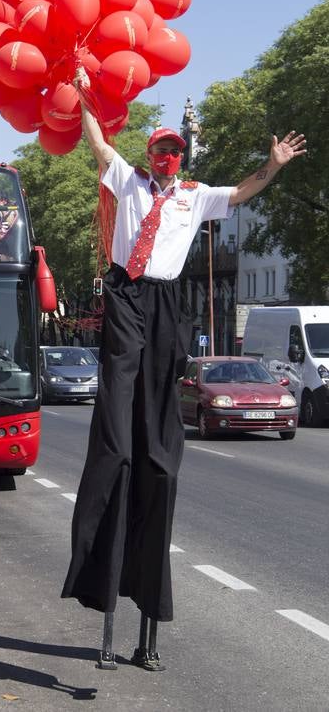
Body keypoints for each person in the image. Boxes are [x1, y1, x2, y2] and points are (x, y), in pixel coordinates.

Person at [61, 67, 306, 669]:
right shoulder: (128, 179)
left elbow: (244, 191)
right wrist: (87, 91)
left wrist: (272, 163)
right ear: (151, 154)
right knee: (120, 419)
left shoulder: (196, 196)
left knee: (158, 440)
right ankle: (116, 439)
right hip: (125, 291)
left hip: (166, 299)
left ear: (182, 157)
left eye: (176, 151)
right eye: (161, 149)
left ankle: (150, 442)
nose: (168, 158)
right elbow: (95, 141)